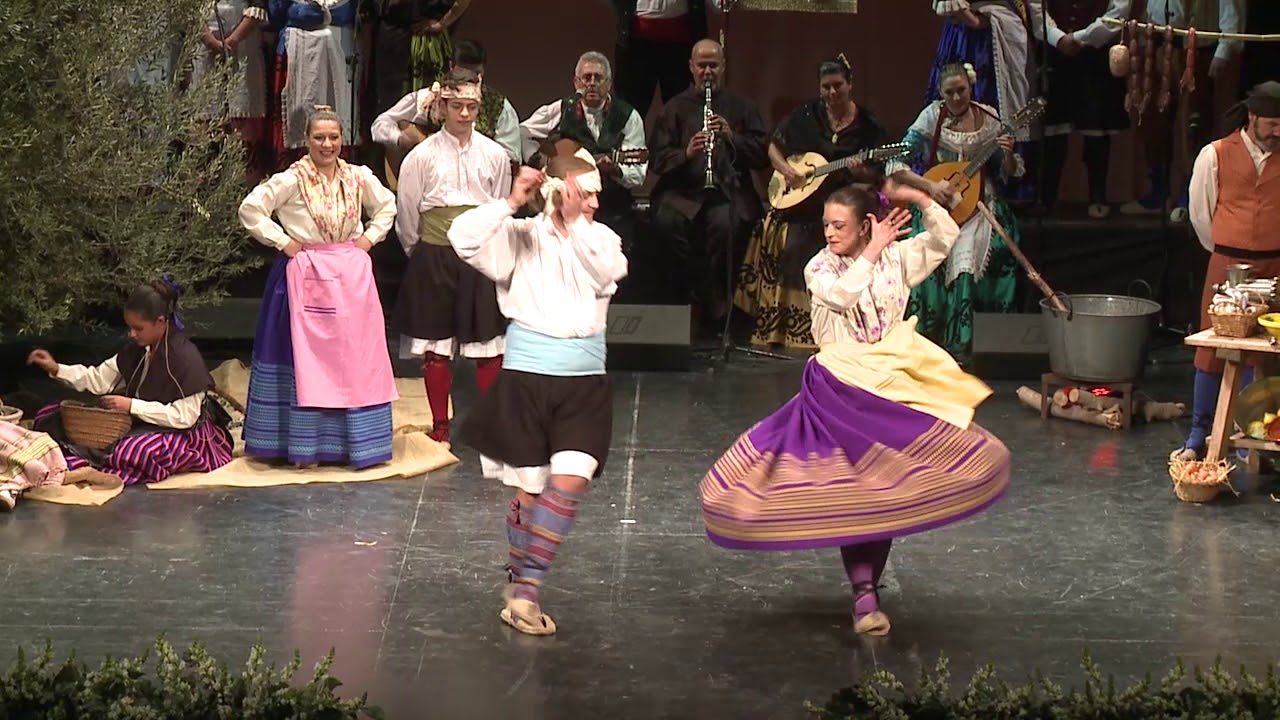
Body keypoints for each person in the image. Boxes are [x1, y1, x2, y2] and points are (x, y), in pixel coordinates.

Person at [699, 182, 1011, 636]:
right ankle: (864, 595)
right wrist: (873, 250)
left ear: (867, 225)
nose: (828, 232)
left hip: (890, 379)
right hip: (842, 387)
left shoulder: (896, 258)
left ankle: (866, 594)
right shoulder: (819, 267)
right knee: (855, 492)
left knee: (885, 490)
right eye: (826, 224)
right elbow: (841, 296)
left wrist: (922, 200)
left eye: (838, 225)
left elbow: (945, 239)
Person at [447, 152, 628, 636]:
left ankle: (527, 589)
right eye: (584, 193)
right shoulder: (520, 237)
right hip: (527, 381)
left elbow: (605, 273)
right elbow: (462, 238)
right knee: (530, 492)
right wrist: (510, 201)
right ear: (558, 191)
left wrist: (574, 224)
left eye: (595, 194)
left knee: (569, 483)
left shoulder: (602, 239)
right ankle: (518, 573)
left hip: (584, 385)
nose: (594, 203)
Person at [239, 105, 400, 468]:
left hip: (349, 276)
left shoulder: (357, 177)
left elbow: (387, 205)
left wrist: (368, 239)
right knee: (304, 360)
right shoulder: (291, 180)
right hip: (305, 274)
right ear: (306, 140)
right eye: (319, 138)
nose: (327, 145)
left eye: (333, 137)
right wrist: (284, 242)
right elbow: (251, 209)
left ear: (343, 139)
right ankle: (302, 444)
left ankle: (357, 444)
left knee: (355, 358)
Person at [391, 69, 513, 446]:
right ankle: (440, 425)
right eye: (457, 105)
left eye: (471, 107)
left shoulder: (495, 155)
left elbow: (500, 207)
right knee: (436, 348)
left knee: (488, 347)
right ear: (442, 106)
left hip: (478, 258)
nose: (464, 113)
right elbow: (407, 213)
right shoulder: (421, 156)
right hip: (435, 254)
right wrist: (420, 252)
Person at [735, 55, 891, 349]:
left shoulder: (868, 125)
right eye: (826, 87)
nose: (832, 93)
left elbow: (877, 175)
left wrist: (861, 171)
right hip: (804, 204)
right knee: (794, 244)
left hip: (845, 202)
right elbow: (773, 147)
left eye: (838, 86)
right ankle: (792, 329)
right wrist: (786, 171)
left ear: (850, 84)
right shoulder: (806, 115)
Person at [26, 279, 234, 486]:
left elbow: (185, 417)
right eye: (130, 327)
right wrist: (56, 368)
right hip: (137, 421)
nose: (131, 334)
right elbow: (99, 379)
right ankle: (78, 467)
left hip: (182, 432)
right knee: (49, 416)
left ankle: (85, 468)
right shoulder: (138, 348)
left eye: (138, 328)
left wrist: (132, 406)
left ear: (160, 322)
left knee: (135, 450)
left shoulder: (184, 356)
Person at [1171, 81, 1280, 462]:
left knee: (1263, 355)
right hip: (1227, 268)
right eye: (1272, 123)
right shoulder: (1215, 154)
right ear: (1252, 117)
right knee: (1212, 351)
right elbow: (1201, 214)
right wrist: (1226, 250)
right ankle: (1198, 435)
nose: (1278, 131)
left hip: (1275, 268)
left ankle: (1253, 437)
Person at [888, 61, 1024, 362]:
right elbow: (895, 164)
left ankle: (969, 342)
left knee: (969, 253)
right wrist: (930, 186)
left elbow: (1008, 172)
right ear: (940, 93)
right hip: (939, 201)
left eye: (961, 90)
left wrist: (1008, 154)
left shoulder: (988, 117)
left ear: (970, 86)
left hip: (980, 202)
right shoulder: (931, 117)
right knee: (937, 249)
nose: (956, 98)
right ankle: (932, 340)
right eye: (949, 93)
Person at [649, 38, 769, 335]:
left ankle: (709, 306)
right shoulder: (675, 108)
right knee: (666, 223)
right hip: (683, 192)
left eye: (713, 65)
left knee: (727, 226)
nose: (707, 72)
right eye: (701, 66)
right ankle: (707, 298)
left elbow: (761, 155)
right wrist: (686, 153)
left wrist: (732, 137)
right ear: (691, 67)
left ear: (723, 67)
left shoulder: (741, 106)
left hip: (727, 189)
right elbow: (656, 159)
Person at [926, 0, 1062, 201]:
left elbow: (1036, 13)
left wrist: (1059, 38)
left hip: (1006, 37)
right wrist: (967, 16)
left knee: (1008, 113)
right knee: (963, 100)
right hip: (969, 41)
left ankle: (1010, 190)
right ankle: (958, 185)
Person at [1122, 0, 1242, 221]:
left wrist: (1224, 50)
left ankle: (1189, 194)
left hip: (1196, 49)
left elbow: (1230, 11)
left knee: (1193, 124)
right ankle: (1159, 190)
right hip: (1158, 43)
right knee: (1153, 120)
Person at [519, 51, 648, 252]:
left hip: (609, 202)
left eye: (598, 78)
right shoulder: (563, 108)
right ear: (576, 82)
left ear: (609, 83)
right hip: (564, 200)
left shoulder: (628, 116)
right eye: (587, 78)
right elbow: (521, 132)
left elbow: (638, 173)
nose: (592, 84)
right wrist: (539, 160)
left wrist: (615, 170)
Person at [371, 38, 521, 184]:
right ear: (451, 67)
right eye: (463, 72)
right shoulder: (429, 98)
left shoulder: (500, 107)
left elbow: (511, 157)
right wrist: (399, 138)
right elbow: (381, 123)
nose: (468, 79)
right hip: (429, 183)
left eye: (476, 73)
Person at [1038, 0, 1130, 218]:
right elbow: (1036, 9)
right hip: (1054, 49)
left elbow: (1119, 11)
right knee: (1053, 130)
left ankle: (1097, 195)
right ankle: (1047, 198)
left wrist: (1083, 37)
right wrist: (1057, 38)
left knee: (1096, 127)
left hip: (1096, 52)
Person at [265, 0, 361, 170]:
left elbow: (357, 11)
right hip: (299, 46)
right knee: (300, 112)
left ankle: (339, 173)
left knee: (342, 112)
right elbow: (277, 12)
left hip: (341, 46)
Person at [191, 0, 270, 181]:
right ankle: (203, 182)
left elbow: (258, 5)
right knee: (204, 111)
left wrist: (233, 39)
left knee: (242, 110)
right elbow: (189, 9)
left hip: (244, 45)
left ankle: (241, 182)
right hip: (204, 47)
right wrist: (209, 39)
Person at [368, 0, 472, 123]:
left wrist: (442, 24)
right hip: (391, 32)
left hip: (425, 39)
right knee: (388, 102)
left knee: (427, 103)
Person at [610, 0, 714, 119]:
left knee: (682, 109)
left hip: (680, 44)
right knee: (628, 110)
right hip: (635, 44)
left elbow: (718, 6)